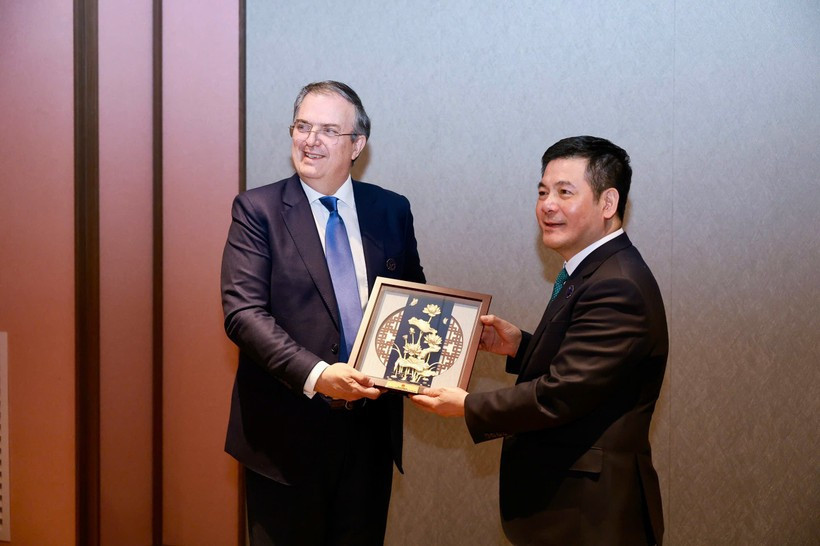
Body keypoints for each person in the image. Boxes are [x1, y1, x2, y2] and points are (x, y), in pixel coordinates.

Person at [412, 136, 668, 545]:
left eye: (565, 192)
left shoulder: (616, 284)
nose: (548, 205)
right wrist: (521, 347)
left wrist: (468, 406)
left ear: (607, 203)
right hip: (571, 508)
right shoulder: (591, 272)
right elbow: (591, 372)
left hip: (590, 515)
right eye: (543, 191)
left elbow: (562, 394)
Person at [221, 80, 425, 545]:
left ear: (358, 145)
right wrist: (318, 374)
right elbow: (243, 314)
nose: (311, 140)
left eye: (329, 130)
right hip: (284, 436)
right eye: (303, 126)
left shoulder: (391, 210)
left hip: (369, 436)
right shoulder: (258, 210)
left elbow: (411, 306)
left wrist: (443, 349)